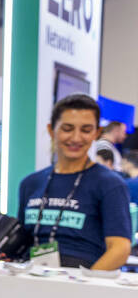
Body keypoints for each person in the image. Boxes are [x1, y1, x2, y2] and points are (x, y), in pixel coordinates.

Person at [17, 95, 132, 270]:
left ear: (97, 133)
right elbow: (22, 242)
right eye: (67, 128)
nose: (76, 138)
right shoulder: (31, 183)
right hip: (30, 280)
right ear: (51, 130)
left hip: (82, 283)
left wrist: (83, 285)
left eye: (86, 130)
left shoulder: (110, 185)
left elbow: (120, 249)